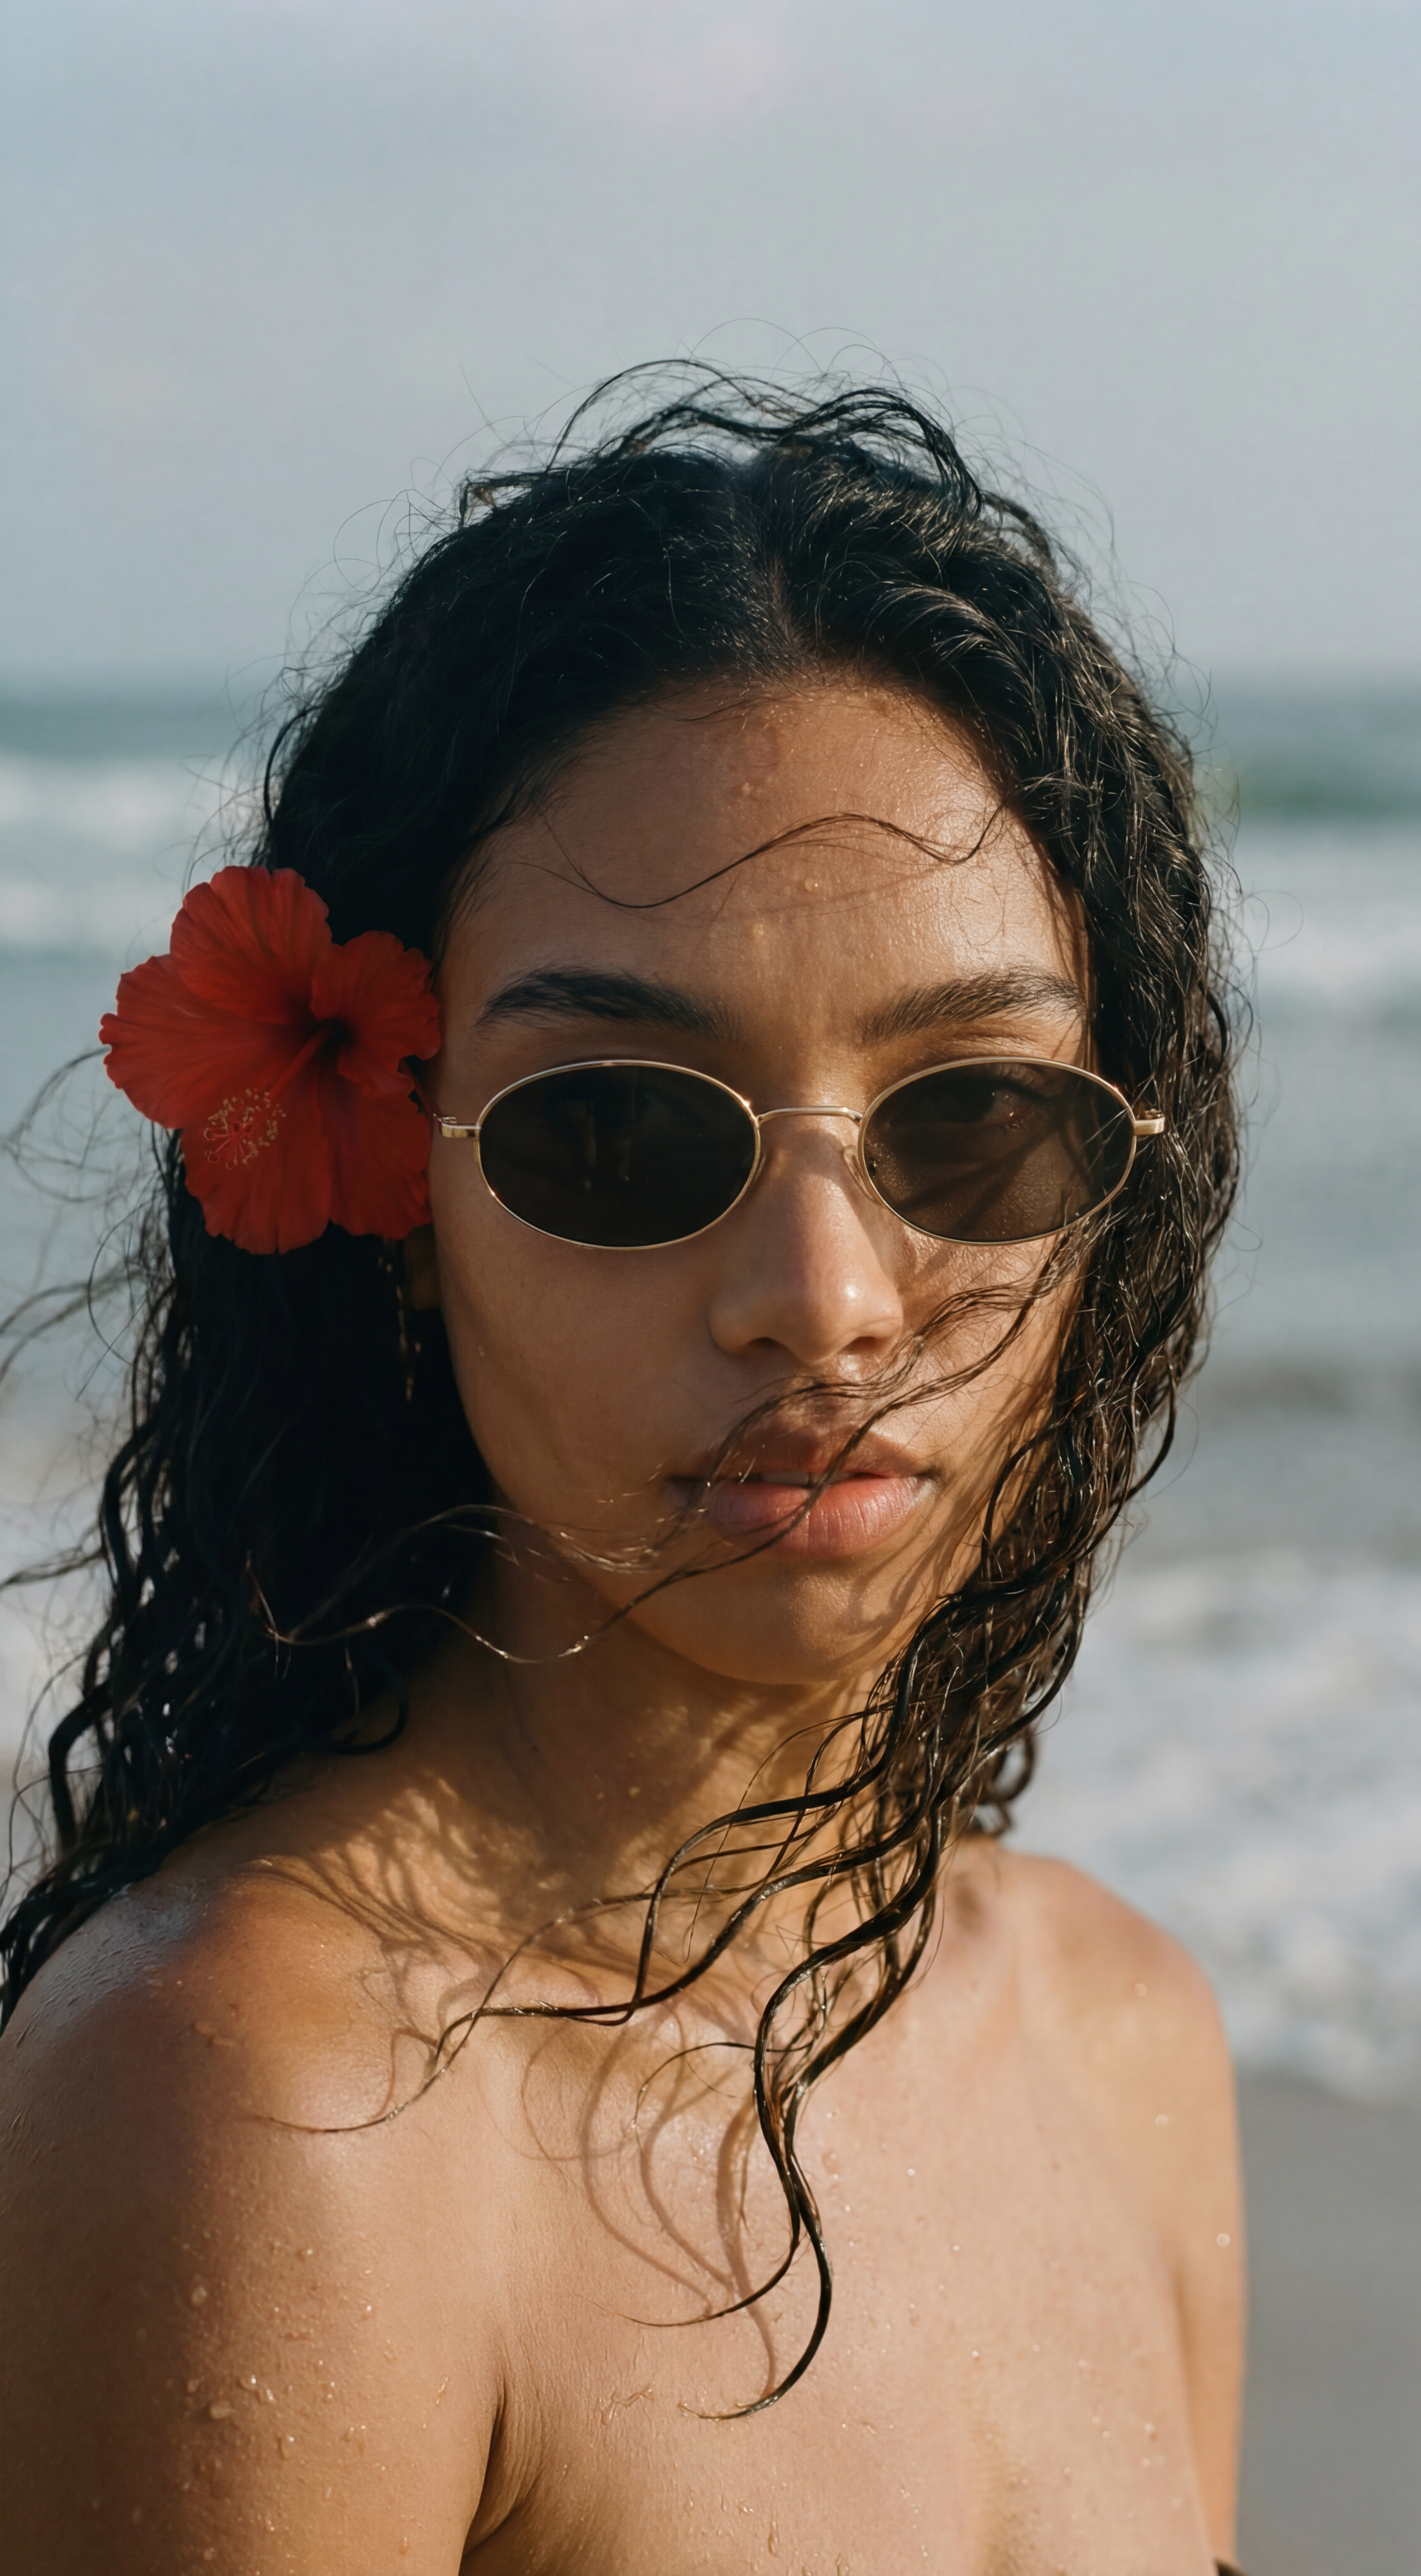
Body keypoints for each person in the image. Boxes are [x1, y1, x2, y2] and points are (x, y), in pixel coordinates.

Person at [0, 378, 1247, 2574]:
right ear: (395, 1202)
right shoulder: (269, 2106)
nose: (828, 1299)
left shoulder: (1123, 2036)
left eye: (972, 1121)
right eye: (618, 1136)